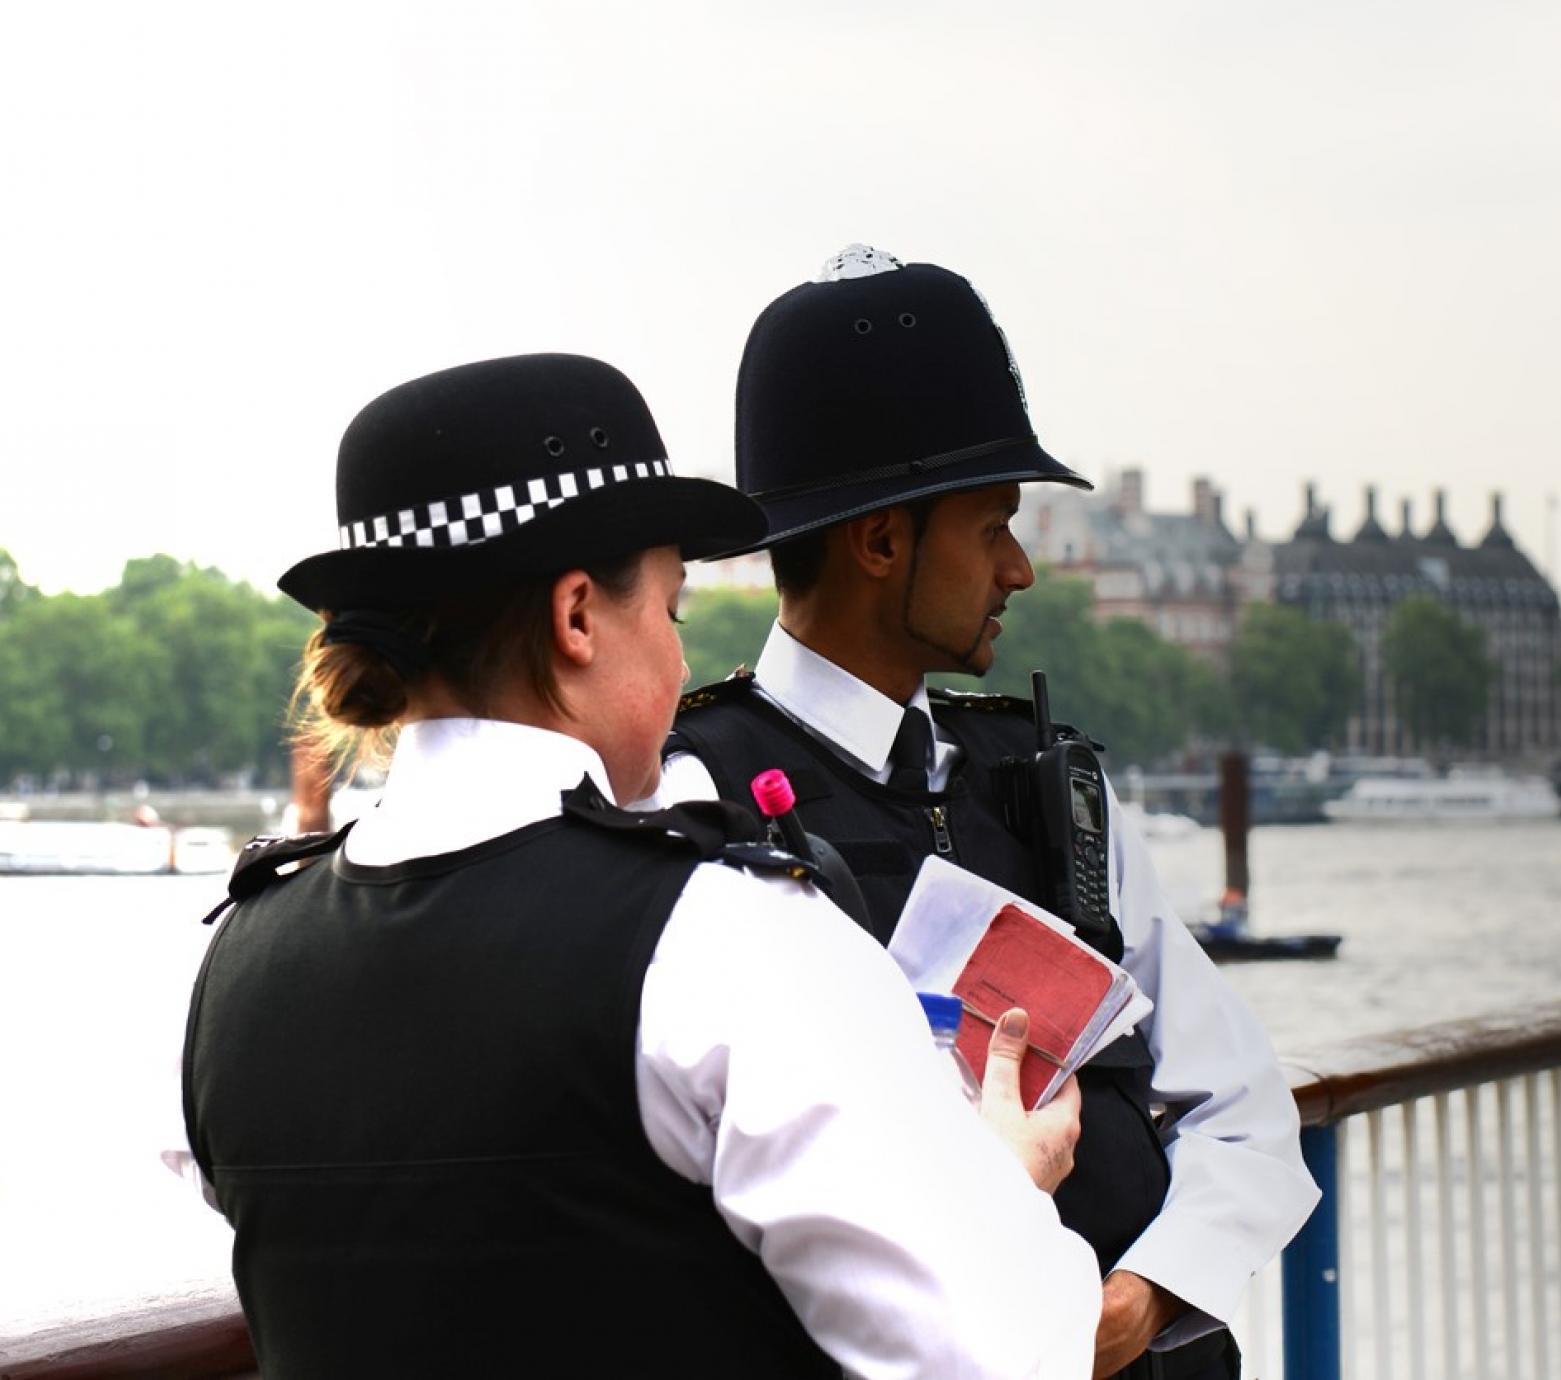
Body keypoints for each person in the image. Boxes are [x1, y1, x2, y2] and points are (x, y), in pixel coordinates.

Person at [169, 353, 1102, 1377]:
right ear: (577, 617)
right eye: (671, 612)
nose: (677, 658)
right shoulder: (726, 938)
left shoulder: (231, 965)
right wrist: (998, 1188)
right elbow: (996, 1355)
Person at [660, 249, 1320, 1379]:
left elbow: (1246, 1112)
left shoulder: (1046, 780)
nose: (1018, 568)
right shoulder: (691, 805)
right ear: (881, 543)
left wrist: (1128, 1309)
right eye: (992, 525)